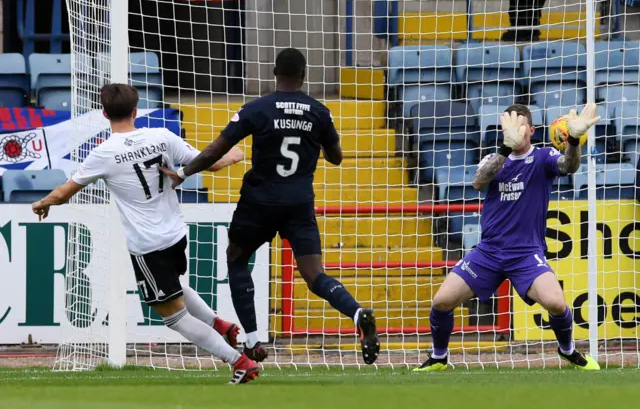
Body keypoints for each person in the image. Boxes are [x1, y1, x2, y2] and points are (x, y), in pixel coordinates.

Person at [161, 47, 381, 365]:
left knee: (236, 260)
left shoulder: (257, 109)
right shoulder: (318, 111)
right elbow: (336, 157)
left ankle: (252, 342)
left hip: (259, 202)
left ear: (274, 73)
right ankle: (358, 312)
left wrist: (182, 173)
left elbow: (214, 151)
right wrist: (310, 136)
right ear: (304, 76)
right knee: (314, 274)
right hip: (298, 203)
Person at [32, 83, 260, 384]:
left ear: (104, 114)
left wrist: (42, 202)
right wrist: (236, 154)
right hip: (176, 234)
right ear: (135, 110)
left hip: (147, 244)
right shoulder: (161, 137)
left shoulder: (104, 153)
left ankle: (238, 361)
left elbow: (65, 192)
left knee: (173, 316)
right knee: (173, 288)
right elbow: (211, 161)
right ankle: (220, 324)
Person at [414, 103, 602, 372]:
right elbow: (478, 181)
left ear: (532, 131)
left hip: (526, 253)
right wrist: (503, 149)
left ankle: (568, 351)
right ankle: (439, 357)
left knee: (557, 303)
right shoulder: (494, 159)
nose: (515, 131)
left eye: (520, 126)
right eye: (509, 127)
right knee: (441, 302)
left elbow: (569, 166)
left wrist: (573, 140)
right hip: (489, 252)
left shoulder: (543, 156)